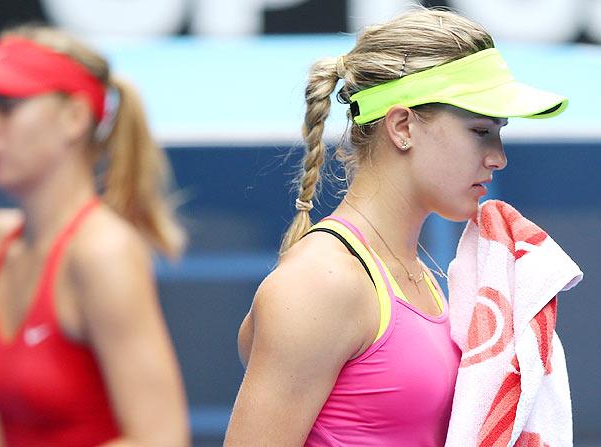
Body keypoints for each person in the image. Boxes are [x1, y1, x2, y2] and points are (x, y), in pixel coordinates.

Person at [225, 8, 567, 447]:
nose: (498, 157)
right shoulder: (321, 283)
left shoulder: (419, 273)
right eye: (480, 130)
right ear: (402, 126)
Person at [0, 25, 190, 447]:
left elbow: (162, 438)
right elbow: (5, 413)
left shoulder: (103, 254)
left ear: (75, 118)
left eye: (6, 107)